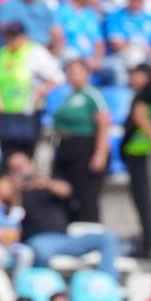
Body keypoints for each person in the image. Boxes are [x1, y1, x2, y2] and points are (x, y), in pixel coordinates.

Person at [6, 151, 119, 277]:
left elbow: (67, 191)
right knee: (41, 251)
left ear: (31, 164)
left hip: (65, 238)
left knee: (107, 238)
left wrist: (46, 183)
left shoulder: (47, 184)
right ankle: (48, 286)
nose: (20, 170)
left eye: (22, 165)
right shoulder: (14, 194)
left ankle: (108, 282)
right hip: (38, 240)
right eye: (15, 168)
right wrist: (15, 191)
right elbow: (14, 215)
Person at [50, 58, 110, 223]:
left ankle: (90, 230)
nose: (73, 76)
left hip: (85, 146)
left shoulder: (93, 95)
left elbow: (104, 124)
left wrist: (100, 153)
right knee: (65, 192)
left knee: (86, 195)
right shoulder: (67, 96)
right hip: (64, 146)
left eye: (77, 72)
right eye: (70, 72)